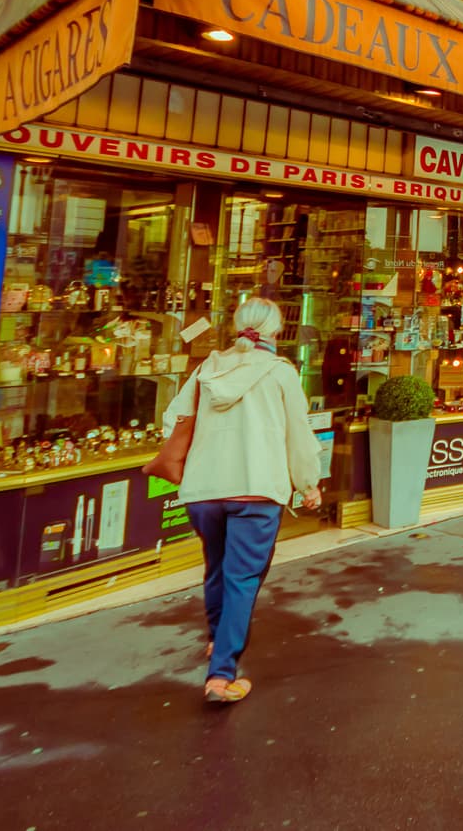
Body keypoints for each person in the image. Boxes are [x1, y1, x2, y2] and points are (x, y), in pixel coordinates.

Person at [164, 298, 325, 705]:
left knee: (217, 570)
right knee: (242, 579)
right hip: (255, 490)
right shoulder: (280, 373)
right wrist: (309, 483)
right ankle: (221, 676)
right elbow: (298, 435)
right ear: (276, 330)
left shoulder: (208, 368)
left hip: (203, 492)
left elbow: (173, 419)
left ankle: (218, 640)